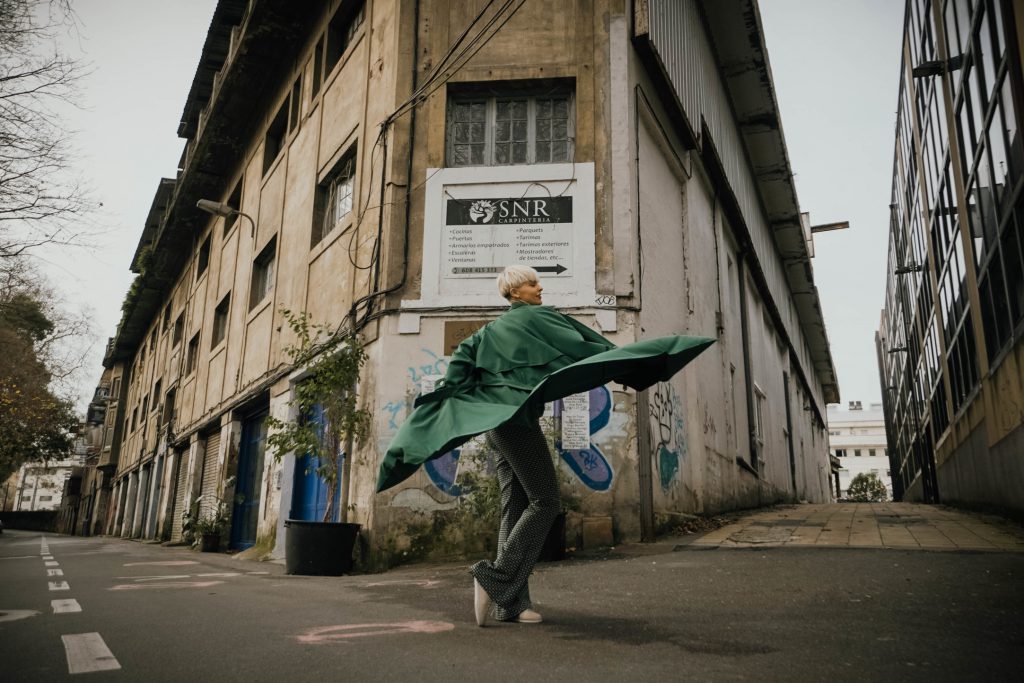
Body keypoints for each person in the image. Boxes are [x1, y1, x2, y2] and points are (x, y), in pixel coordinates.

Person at [377, 265, 715, 626]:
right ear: (515, 291)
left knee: (515, 506)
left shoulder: (485, 334)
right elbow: (588, 347)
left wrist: (444, 410)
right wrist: (632, 364)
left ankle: (511, 605)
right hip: (517, 424)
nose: (541, 287)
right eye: (533, 282)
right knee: (546, 501)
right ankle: (494, 576)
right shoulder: (541, 318)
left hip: (495, 427)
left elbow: (457, 371)